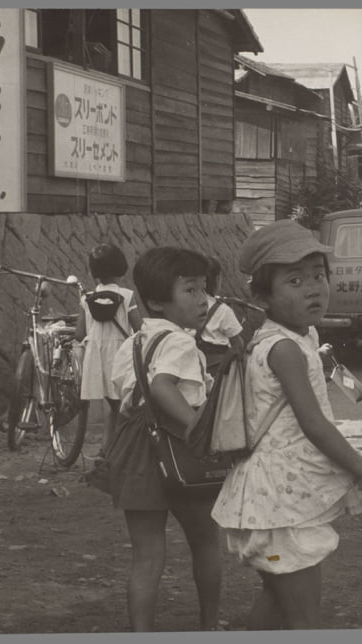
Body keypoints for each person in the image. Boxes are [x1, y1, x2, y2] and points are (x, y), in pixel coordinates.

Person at [211, 219, 362, 630]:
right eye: (294, 280)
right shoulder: (284, 348)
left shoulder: (297, 337)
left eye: (318, 275)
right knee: (303, 617)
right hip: (279, 506)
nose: (313, 288)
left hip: (276, 500)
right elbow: (314, 424)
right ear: (262, 296)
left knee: (278, 602)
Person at [105, 247, 221, 631]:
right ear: (157, 301)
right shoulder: (181, 342)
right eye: (190, 290)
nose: (203, 299)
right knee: (205, 541)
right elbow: (161, 387)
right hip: (180, 450)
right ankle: (209, 626)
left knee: (146, 557)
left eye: (204, 289)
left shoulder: (131, 343)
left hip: (136, 454)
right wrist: (197, 429)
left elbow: (120, 398)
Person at [74, 243, 143, 450]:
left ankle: (107, 449)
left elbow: (80, 334)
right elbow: (139, 328)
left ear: (93, 272)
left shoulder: (86, 299)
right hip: (121, 357)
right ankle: (117, 451)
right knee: (122, 406)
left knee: (111, 406)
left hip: (97, 361)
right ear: (122, 268)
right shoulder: (127, 296)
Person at [195, 255, 245, 372]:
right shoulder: (223, 310)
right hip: (218, 369)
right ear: (217, 279)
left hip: (194, 363)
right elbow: (238, 344)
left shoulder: (188, 303)